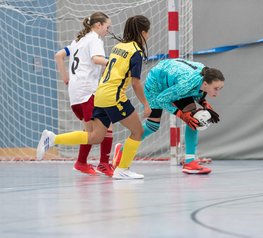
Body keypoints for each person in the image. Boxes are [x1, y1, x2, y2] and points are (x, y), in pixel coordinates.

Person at [37, 15, 152, 180]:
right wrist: (146, 104)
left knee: (95, 136)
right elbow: (135, 83)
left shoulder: (119, 46)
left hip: (99, 94)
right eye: (147, 33)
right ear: (143, 33)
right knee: (138, 131)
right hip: (112, 96)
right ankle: (122, 168)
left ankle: (53, 139)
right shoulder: (135, 51)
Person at [113, 58, 225, 174]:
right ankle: (122, 150)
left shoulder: (205, 76)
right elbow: (161, 99)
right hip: (156, 83)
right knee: (153, 126)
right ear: (206, 84)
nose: (217, 93)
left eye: (220, 89)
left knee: (193, 118)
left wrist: (203, 102)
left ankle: (190, 162)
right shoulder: (186, 84)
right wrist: (181, 114)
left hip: (174, 81)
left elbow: (196, 90)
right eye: (216, 89)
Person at [54, 12, 114, 176]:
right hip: (88, 91)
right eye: (107, 27)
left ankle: (81, 162)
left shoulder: (77, 41)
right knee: (107, 125)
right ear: (98, 25)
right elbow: (96, 59)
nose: (108, 31)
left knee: (89, 132)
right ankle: (104, 164)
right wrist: (116, 62)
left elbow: (59, 55)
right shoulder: (94, 39)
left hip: (75, 93)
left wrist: (65, 77)